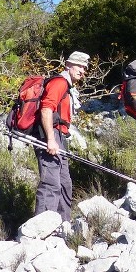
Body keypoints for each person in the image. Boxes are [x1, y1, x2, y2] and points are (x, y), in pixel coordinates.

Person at [34, 51, 89, 224]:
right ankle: (42, 229)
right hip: (50, 135)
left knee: (65, 183)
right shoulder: (59, 83)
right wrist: (50, 139)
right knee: (51, 183)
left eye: (85, 67)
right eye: (79, 66)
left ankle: (62, 225)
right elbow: (46, 109)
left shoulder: (67, 85)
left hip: (60, 136)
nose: (82, 70)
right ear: (68, 65)